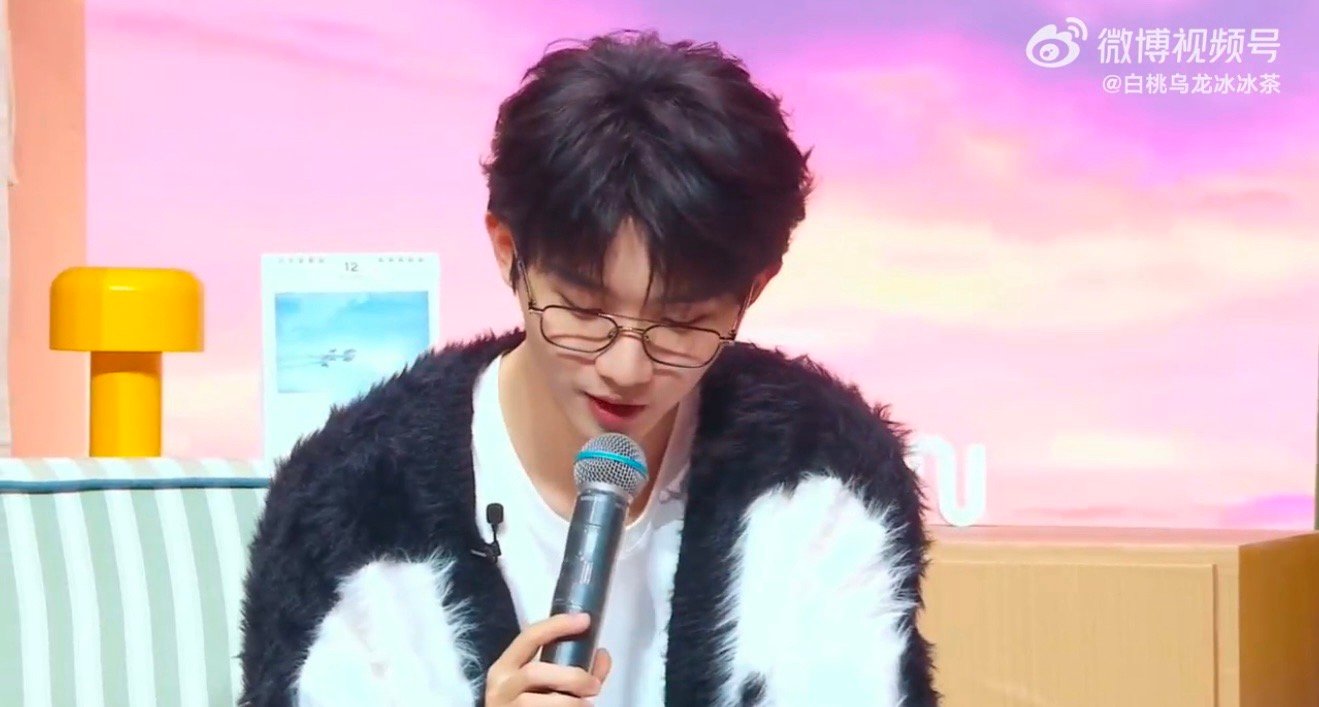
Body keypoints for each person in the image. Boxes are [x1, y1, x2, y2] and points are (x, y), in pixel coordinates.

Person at [239, 30, 937, 707]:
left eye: (682, 322)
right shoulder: (358, 503)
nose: (626, 368)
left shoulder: (819, 479)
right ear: (507, 250)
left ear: (753, 289)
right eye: (581, 310)